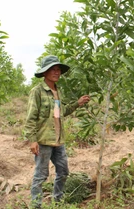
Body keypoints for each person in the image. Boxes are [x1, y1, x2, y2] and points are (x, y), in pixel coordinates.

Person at [24, 55, 90, 208]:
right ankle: (36, 205)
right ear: (45, 72)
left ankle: (57, 201)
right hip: (44, 141)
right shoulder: (38, 91)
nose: (57, 72)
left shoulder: (57, 91)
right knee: (41, 176)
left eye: (58, 69)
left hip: (58, 140)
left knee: (63, 171)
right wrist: (32, 140)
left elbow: (60, 112)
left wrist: (77, 104)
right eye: (53, 69)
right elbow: (30, 117)